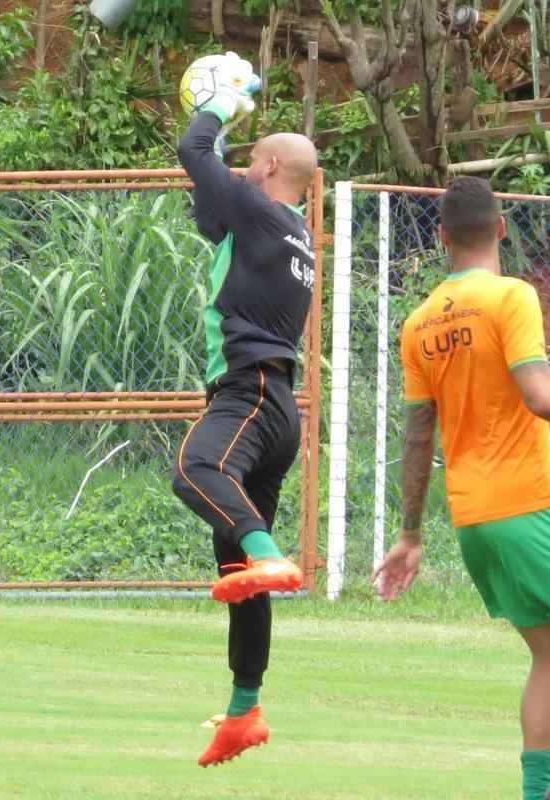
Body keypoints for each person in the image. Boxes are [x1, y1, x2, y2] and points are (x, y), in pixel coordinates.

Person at [374, 177, 550, 800]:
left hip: (473, 521)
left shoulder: (419, 324)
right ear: (501, 229)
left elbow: (419, 439)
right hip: (532, 503)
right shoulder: (511, 297)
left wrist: (410, 533)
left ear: (442, 238)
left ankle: (535, 795)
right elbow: (541, 395)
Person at [171, 53, 319, 768]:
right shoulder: (285, 229)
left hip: (249, 390)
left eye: (249, 160)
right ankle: (243, 710)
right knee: (233, 555)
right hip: (278, 403)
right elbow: (209, 202)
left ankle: (270, 558)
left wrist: (222, 102)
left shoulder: (256, 209)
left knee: (196, 468)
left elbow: (192, 150)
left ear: (263, 168)